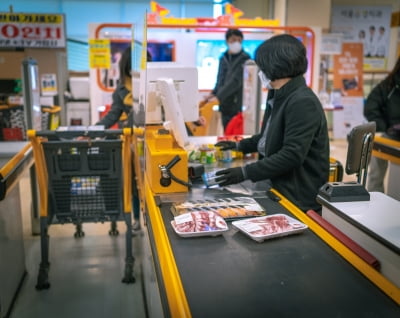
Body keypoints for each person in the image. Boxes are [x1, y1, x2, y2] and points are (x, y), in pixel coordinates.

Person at [214, 34, 330, 213]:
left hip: (295, 196)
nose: (260, 71)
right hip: (275, 184)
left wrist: (245, 173)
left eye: (262, 65)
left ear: (274, 65)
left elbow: (291, 155)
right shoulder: (278, 94)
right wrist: (238, 145)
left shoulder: (302, 102)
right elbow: (268, 137)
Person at [96, 47, 151, 232]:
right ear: (126, 69)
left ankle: (154, 217)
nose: (137, 72)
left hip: (152, 140)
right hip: (130, 143)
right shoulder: (121, 90)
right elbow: (112, 116)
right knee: (133, 182)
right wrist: (91, 130)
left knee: (153, 180)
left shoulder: (154, 84)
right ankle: (136, 218)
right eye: (132, 68)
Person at [202, 28, 251, 131]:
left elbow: (236, 82)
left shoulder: (245, 59)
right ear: (227, 41)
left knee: (234, 132)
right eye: (233, 40)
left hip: (236, 104)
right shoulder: (223, 58)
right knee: (226, 130)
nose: (236, 43)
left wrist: (219, 96)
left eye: (239, 40)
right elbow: (220, 79)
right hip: (224, 104)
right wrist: (214, 93)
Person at [364, 57, 400, 193]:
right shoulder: (389, 85)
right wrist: (383, 127)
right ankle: (375, 199)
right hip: (389, 135)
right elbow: (371, 107)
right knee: (376, 173)